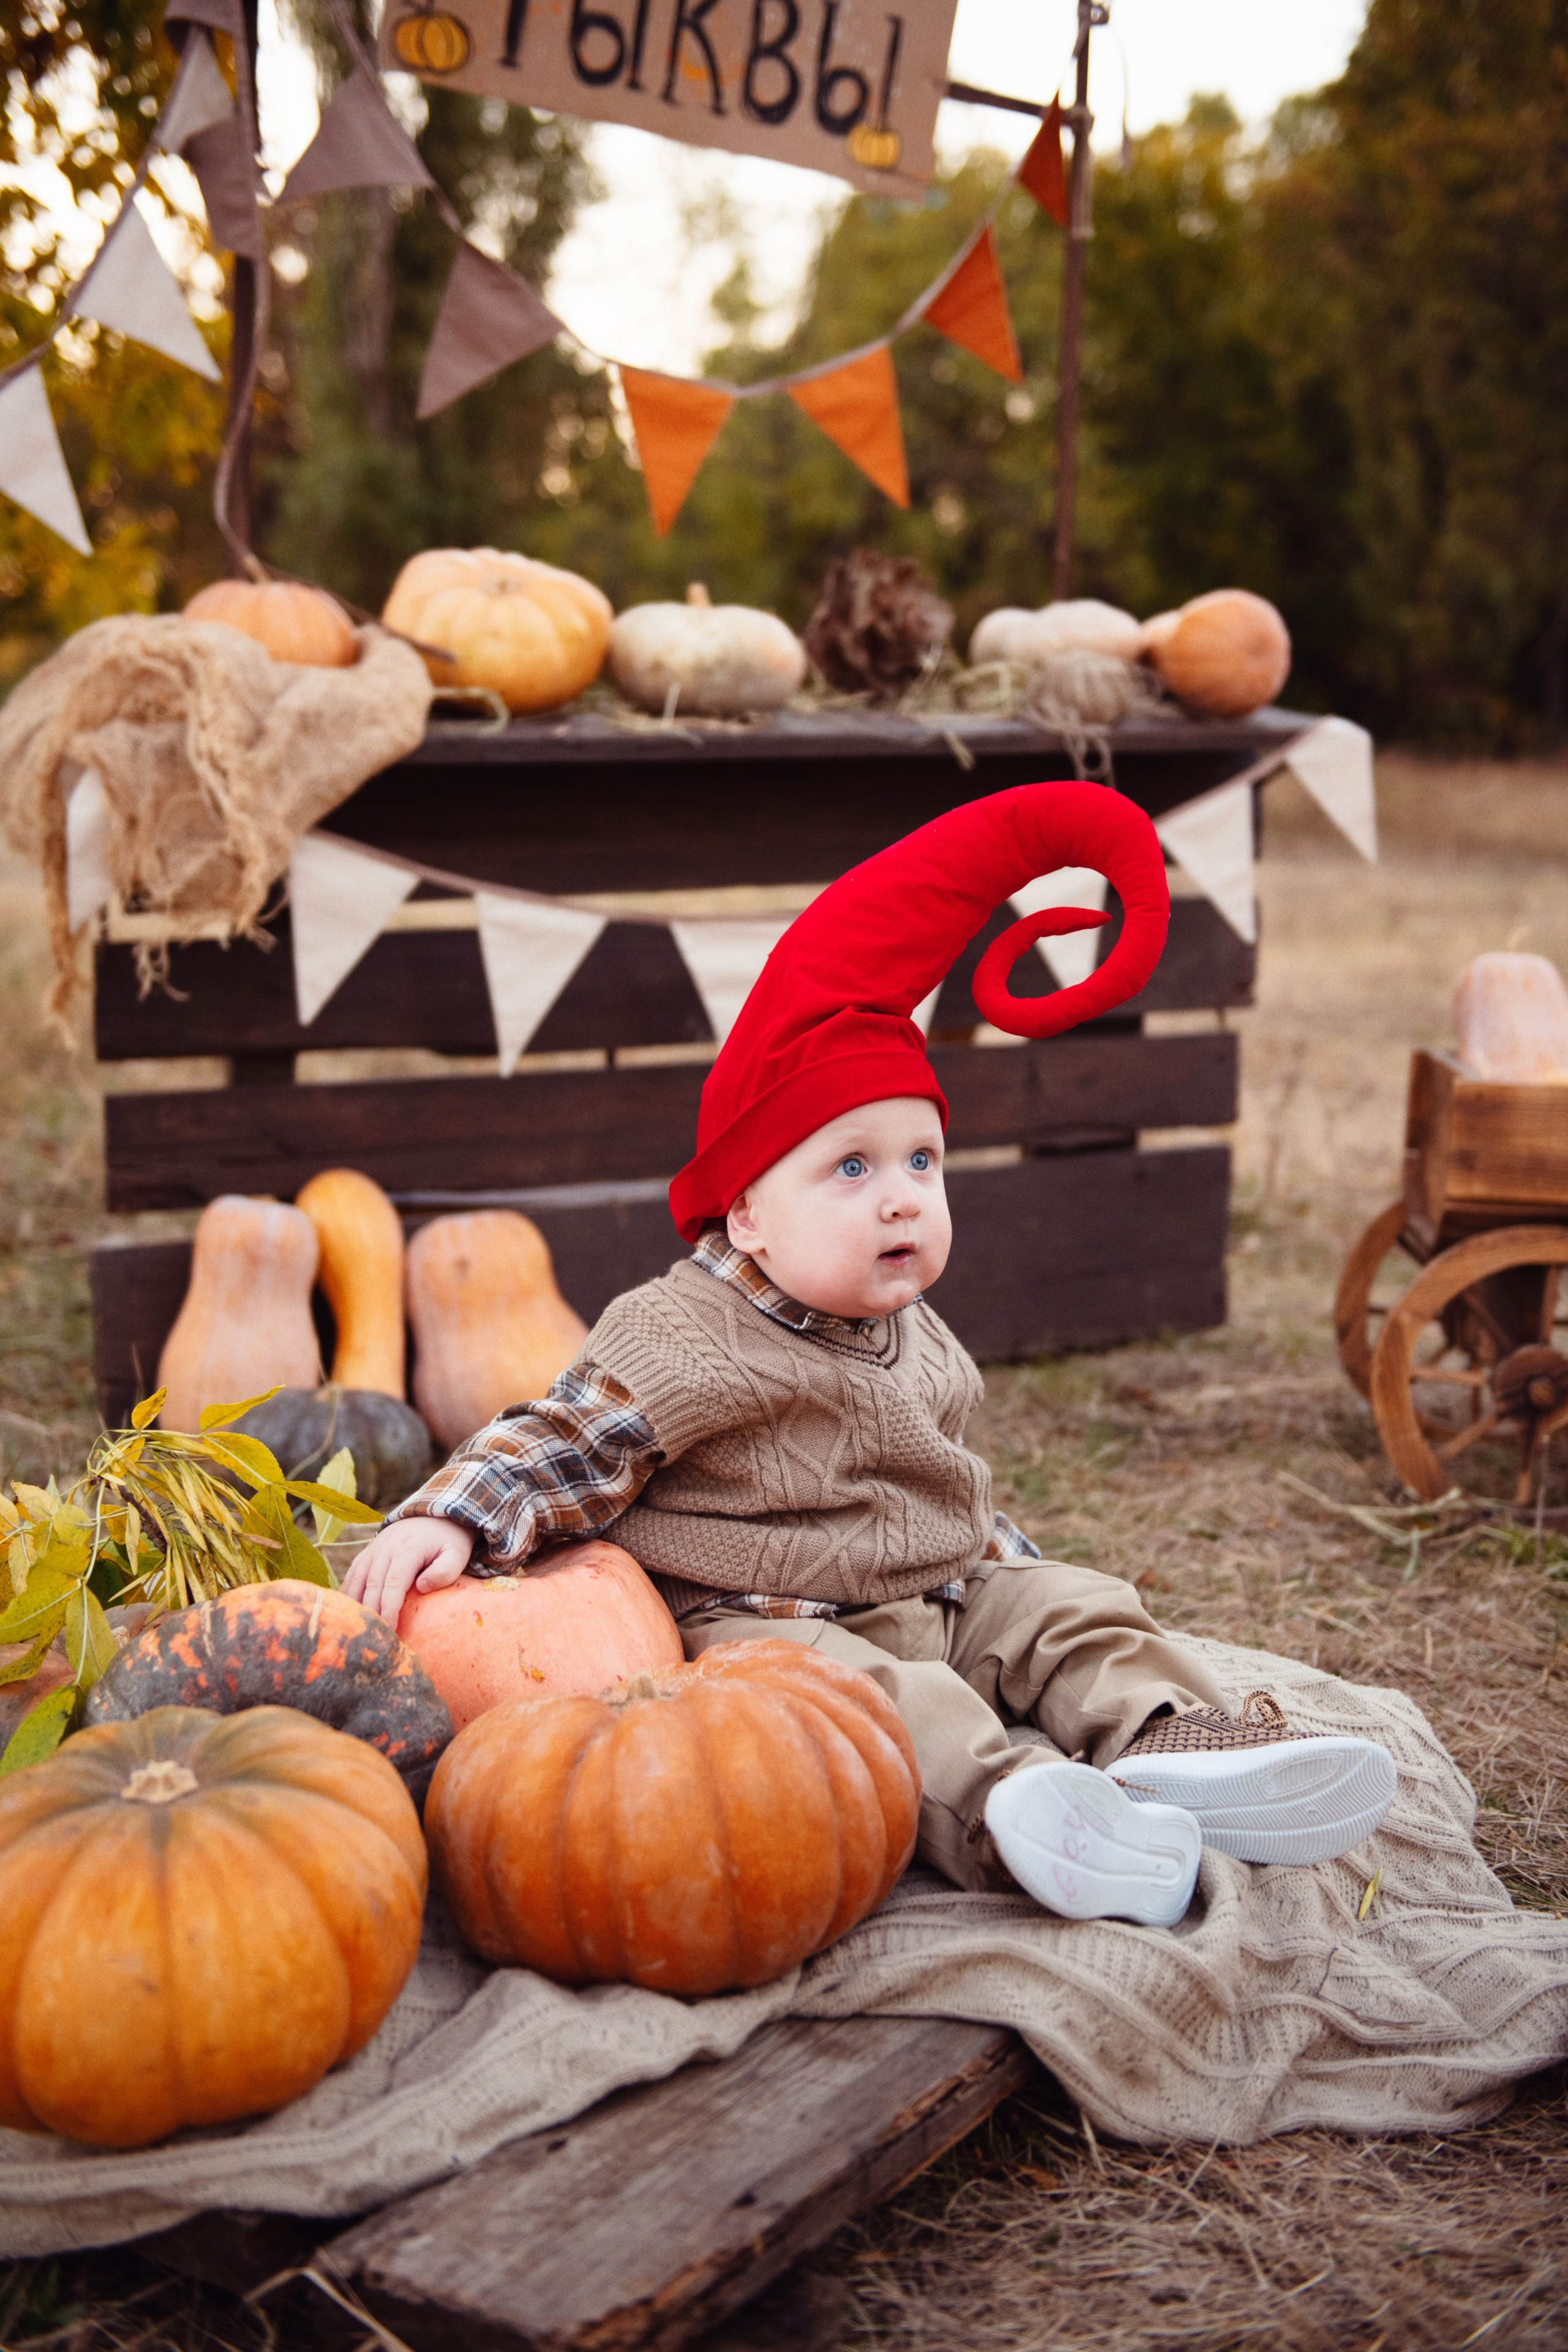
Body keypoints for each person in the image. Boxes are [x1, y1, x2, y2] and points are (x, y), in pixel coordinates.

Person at [345, 782, 1395, 1929]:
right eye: (851, 1167)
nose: (900, 1198)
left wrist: (1010, 1575)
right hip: (765, 1622)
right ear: (749, 1214)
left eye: (920, 1162)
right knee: (874, 1704)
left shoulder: (912, 1327)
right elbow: (564, 1438)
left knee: (1068, 1606)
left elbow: (942, 1485)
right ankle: (1020, 1811)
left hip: (933, 1591)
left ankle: (1178, 1744)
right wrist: (455, 1517)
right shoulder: (683, 1331)